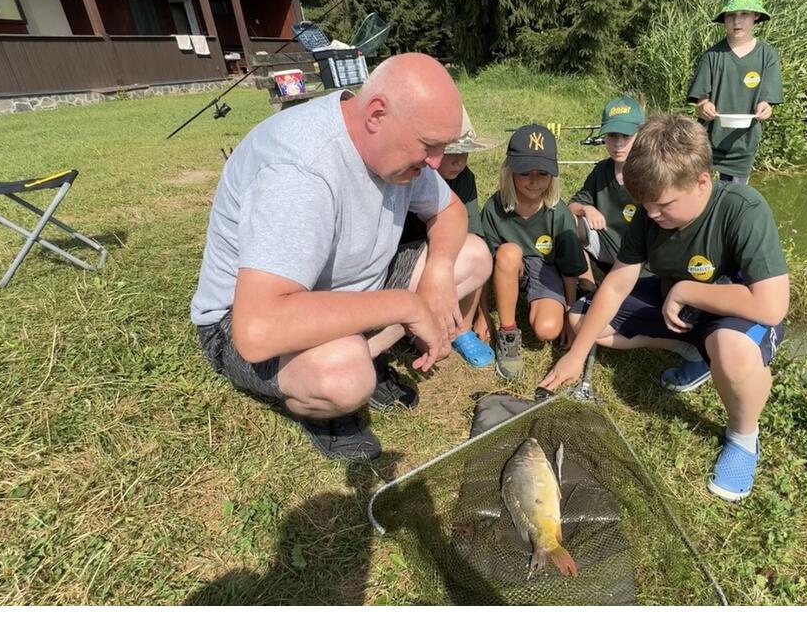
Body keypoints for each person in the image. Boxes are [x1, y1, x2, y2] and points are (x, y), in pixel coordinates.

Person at [190, 53, 493, 461]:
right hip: (242, 324)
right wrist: (407, 304)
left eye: (443, 147)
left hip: (347, 292)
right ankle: (323, 403)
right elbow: (256, 329)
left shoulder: (394, 151)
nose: (437, 163)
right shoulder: (300, 172)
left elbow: (450, 210)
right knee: (346, 377)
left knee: (472, 256)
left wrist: (437, 273)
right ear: (377, 114)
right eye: (429, 147)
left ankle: (369, 352)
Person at [540, 115, 789, 502]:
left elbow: (771, 305)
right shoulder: (650, 213)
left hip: (735, 311)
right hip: (678, 305)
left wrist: (689, 291)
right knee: (582, 319)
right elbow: (619, 282)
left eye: (663, 205)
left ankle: (743, 437)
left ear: (702, 181)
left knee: (733, 351)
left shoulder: (744, 208)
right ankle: (690, 351)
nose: (653, 215)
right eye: (646, 206)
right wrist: (576, 354)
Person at [480, 124, 587, 380]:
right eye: (525, 172)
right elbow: (483, 268)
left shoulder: (558, 213)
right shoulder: (494, 209)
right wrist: (483, 314)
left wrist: (571, 315)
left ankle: (548, 305)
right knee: (508, 252)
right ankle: (507, 332)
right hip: (510, 264)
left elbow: (570, 269)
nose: (534, 181)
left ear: (553, 175)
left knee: (547, 331)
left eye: (543, 173)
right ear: (510, 171)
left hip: (546, 268)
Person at [399, 105, 500, 367]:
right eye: (451, 154)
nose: (459, 161)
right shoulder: (411, 176)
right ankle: (418, 329)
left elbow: (472, 231)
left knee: (478, 249)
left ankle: (462, 328)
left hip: (452, 252)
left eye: (465, 153)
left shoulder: (465, 179)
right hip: (414, 255)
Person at [686, 0, 783, 185]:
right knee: (702, 197)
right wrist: (704, 106)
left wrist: (765, 109)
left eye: (744, 14)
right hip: (707, 144)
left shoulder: (768, 56)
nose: (737, 22)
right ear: (724, 19)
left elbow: (767, 103)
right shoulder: (712, 56)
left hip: (743, 145)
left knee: (734, 200)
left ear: (756, 16)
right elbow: (700, 102)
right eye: (731, 15)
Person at [568, 96, 643, 282]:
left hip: (643, 260)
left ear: (641, 135)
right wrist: (586, 208)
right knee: (567, 221)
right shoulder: (602, 170)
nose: (618, 144)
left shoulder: (650, 172)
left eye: (626, 136)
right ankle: (588, 285)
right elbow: (571, 206)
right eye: (612, 136)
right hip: (608, 246)